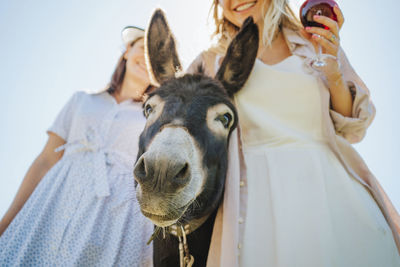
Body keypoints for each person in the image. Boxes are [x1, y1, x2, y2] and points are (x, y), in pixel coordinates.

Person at [188, 0, 400, 266]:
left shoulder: (313, 40)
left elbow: (352, 127)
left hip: (334, 195)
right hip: (254, 206)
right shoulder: (210, 61)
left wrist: (333, 69)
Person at [0, 26, 153, 266]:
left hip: (114, 223)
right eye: (143, 48)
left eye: (155, 53)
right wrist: (7, 220)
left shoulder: (154, 119)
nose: (147, 58)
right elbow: (45, 160)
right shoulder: (82, 100)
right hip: (55, 206)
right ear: (126, 51)